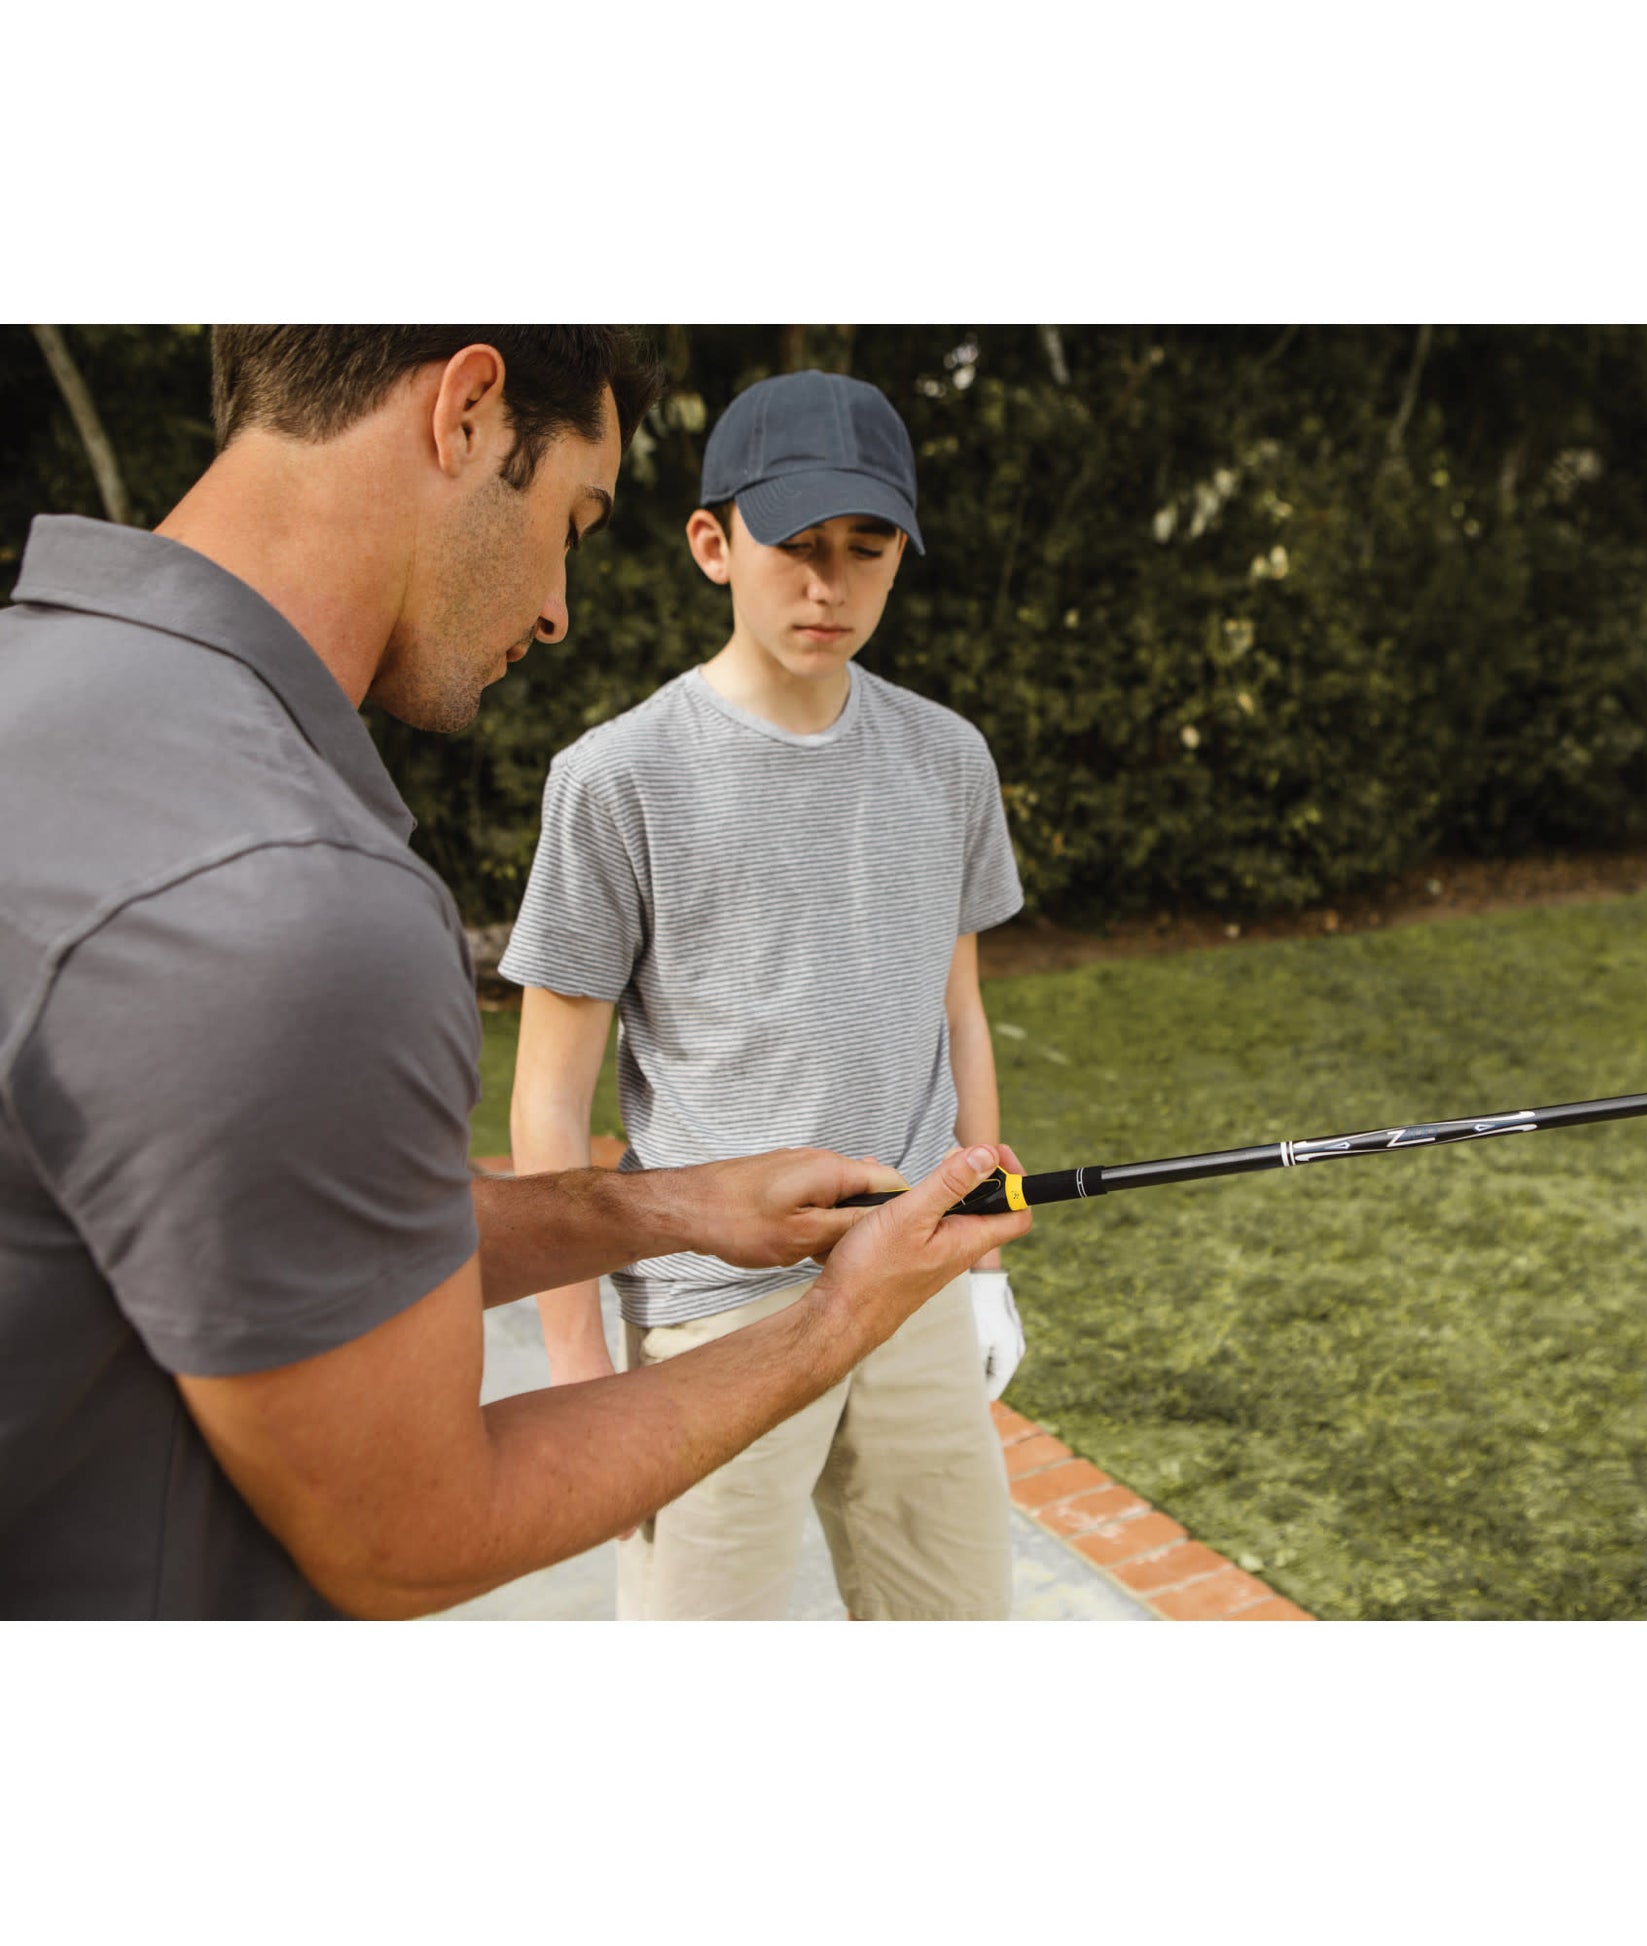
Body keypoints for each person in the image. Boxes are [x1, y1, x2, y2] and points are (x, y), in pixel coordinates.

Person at [0, 327, 1027, 1621]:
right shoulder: (290, 897)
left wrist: (657, 1208)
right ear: (469, 411)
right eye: (574, 521)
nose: (555, 607)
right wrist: (836, 1317)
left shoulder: (46, 698)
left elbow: (265, 1231)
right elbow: (413, 1537)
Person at [503, 368, 1029, 1621]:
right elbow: (546, 1104)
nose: (829, 583)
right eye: (794, 545)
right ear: (710, 542)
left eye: (867, 546)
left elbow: (956, 1015)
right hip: (708, 1322)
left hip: (910, 1285)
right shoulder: (614, 779)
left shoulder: (948, 758)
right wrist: (580, 1370)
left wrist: (985, 1258)